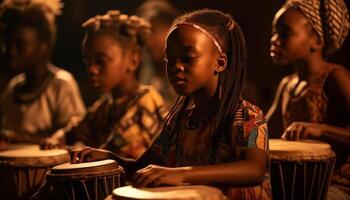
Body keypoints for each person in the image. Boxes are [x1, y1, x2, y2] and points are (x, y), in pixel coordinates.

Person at [71, 9, 272, 200]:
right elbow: (144, 167)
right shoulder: (180, 121)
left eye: (188, 57)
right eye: (170, 58)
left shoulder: (246, 115)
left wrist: (181, 174)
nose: (176, 66)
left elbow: (254, 169)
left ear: (220, 63)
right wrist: (111, 159)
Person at [44, 10, 167, 159]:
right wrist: (56, 139)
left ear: (133, 60)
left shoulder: (147, 102)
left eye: (100, 61)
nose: (92, 69)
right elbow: (71, 131)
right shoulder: (104, 107)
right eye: (87, 61)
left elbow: (117, 153)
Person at [266, 0, 350, 198]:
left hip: (337, 187)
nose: (274, 39)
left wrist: (321, 129)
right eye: (274, 32)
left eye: (284, 32)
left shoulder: (335, 77)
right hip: (297, 185)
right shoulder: (288, 85)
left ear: (317, 41)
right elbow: (264, 132)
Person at [0, 0, 85, 145]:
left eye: (20, 44)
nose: (11, 51)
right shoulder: (13, 88)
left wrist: (22, 139)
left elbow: (75, 137)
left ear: (44, 45)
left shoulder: (61, 85)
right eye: (7, 44)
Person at [135, 0, 179, 107]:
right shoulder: (145, 67)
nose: (148, 42)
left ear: (171, 29)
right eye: (144, 35)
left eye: (153, 31)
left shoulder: (188, 73)